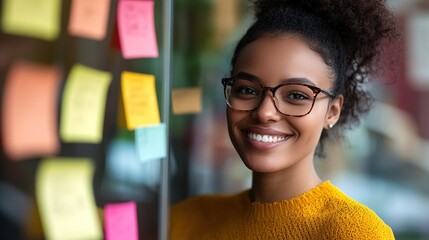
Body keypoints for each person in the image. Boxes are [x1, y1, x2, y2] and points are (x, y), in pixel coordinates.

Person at [170, 0, 397, 239]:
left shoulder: (355, 232)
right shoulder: (184, 221)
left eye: (297, 95)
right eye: (247, 90)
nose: (265, 112)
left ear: (333, 111)